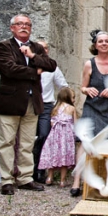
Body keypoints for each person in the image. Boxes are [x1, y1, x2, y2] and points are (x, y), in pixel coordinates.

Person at [0, 15, 56, 195]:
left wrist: (32, 56)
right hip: (10, 101)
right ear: (12, 27)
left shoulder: (36, 47)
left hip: (32, 101)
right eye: (20, 24)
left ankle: (25, 178)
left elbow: (51, 65)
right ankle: (6, 179)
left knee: (27, 142)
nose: (24, 27)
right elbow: (9, 69)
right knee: (7, 141)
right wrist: (35, 71)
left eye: (27, 24)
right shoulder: (5, 46)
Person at [71, 30, 108, 196]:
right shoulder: (89, 64)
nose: (104, 44)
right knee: (85, 141)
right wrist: (87, 89)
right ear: (95, 45)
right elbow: (82, 87)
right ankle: (76, 181)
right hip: (93, 108)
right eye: (100, 41)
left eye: (106, 41)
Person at [32, 40, 69, 184]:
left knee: (44, 136)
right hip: (28, 105)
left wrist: (63, 107)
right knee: (26, 138)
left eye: (46, 48)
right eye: (40, 48)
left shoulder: (53, 68)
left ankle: (40, 171)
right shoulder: (28, 64)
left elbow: (63, 87)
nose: (44, 50)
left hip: (46, 106)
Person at [38, 87, 77, 188]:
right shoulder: (72, 109)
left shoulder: (55, 108)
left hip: (55, 137)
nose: (74, 100)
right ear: (67, 97)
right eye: (73, 97)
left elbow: (52, 123)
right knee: (64, 158)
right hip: (66, 137)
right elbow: (75, 123)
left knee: (53, 156)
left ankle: (49, 178)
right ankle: (62, 181)